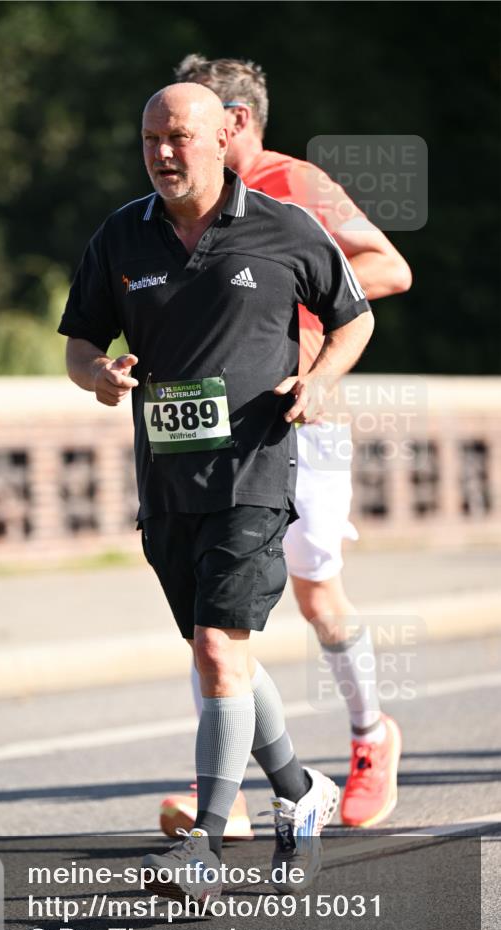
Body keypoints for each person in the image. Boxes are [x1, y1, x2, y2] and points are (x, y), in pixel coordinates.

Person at [59, 82, 374, 905]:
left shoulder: (281, 226)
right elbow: (81, 338)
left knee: (216, 650)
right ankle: (301, 792)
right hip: (166, 479)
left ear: (224, 135)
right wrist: (97, 372)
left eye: (181, 137)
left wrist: (316, 378)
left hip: (256, 471)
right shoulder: (122, 233)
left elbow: (354, 316)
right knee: (221, 653)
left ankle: (202, 844)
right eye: (151, 137)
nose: (164, 152)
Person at [158, 55, 412, 840]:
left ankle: (371, 737)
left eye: (197, 122)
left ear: (234, 121)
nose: (176, 142)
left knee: (313, 593)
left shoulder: (289, 181)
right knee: (213, 610)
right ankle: (223, 787)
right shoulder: (176, 209)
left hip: (300, 420)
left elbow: (387, 267)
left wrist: (302, 336)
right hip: (216, 433)